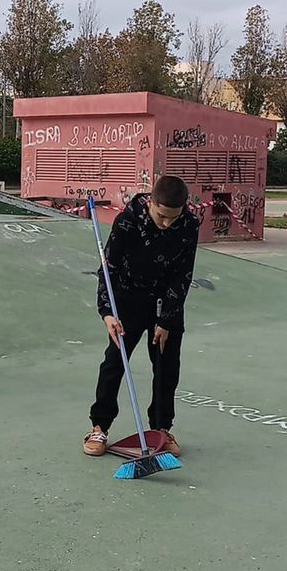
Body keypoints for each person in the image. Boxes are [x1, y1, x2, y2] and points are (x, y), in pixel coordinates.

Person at [83, 175, 202, 456]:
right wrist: (107, 313)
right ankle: (99, 427)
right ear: (151, 202)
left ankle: (160, 429)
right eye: (162, 216)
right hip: (127, 299)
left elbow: (183, 275)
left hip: (165, 302)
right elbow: (108, 269)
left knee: (166, 366)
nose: (167, 223)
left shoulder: (188, 225)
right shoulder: (126, 222)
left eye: (174, 217)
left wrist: (167, 319)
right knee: (114, 362)